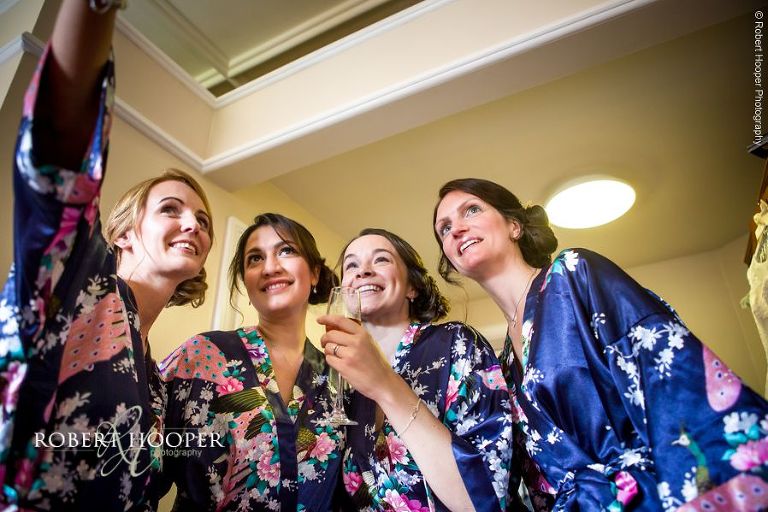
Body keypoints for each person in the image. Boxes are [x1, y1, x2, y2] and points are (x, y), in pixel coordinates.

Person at [433, 177, 768, 511]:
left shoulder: (575, 274)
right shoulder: (501, 364)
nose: (457, 229)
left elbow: (672, 381)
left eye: (471, 210)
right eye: (444, 229)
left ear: (514, 225)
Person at [0, 1, 214, 509]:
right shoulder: (83, 281)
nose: (193, 224)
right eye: (171, 209)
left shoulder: (158, 382)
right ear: (124, 232)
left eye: (203, 221)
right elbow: (61, 162)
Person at [318, 228, 513, 512]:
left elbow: (483, 499)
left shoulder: (455, 343)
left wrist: (385, 384)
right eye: (352, 265)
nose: (363, 272)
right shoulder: (338, 382)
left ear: (413, 287)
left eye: (381, 260)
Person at [160, 213, 342, 511]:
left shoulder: (338, 378)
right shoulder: (205, 355)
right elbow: (137, 458)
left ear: (315, 273)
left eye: (286, 251)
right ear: (245, 279)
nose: (270, 267)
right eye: (255, 259)